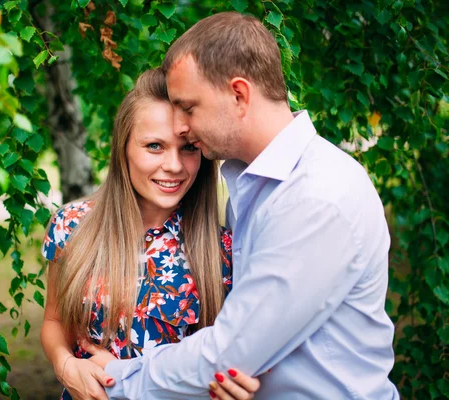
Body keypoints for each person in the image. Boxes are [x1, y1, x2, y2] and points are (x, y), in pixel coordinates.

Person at [87, 12, 399, 399]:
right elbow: (239, 345)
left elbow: (229, 353)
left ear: (238, 95)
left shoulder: (315, 197)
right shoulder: (256, 186)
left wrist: (119, 376)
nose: (180, 125)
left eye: (188, 107)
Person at [40, 69, 259, 400]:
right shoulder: (72, 226)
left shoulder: (225, 251)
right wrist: (64, 365)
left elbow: (230, 360)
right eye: (154, 146)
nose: (173, 165)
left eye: (188, 148)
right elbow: (54, 322)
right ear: (124, 148)